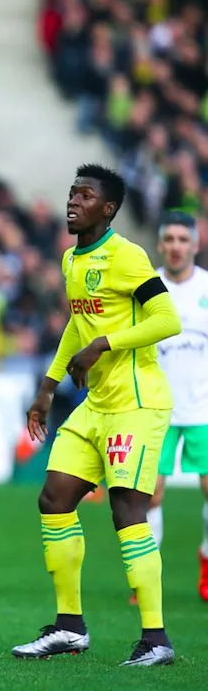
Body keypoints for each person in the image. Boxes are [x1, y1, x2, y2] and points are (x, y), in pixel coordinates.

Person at [13, 165, 182, 666]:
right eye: (72, 194)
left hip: (136, 402)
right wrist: (48, 387)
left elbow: (167, 319)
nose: (73, 202)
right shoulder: (71, 259)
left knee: (126, 509)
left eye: (85, 196)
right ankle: (69, 628)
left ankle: (156, 639)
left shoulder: (127, 255)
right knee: (54, 497)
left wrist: (105, 344)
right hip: (96, 405)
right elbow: (78, 323)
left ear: (107, 209)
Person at [149, 211, 208, 602]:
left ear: (195, 245)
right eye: (169, 239)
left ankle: (206, 562)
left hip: (204, 410)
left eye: (182, 239)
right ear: (160, 245)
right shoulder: (148, 289)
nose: (175, 246)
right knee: (150, 495)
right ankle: (147, 576)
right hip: (158, 410)